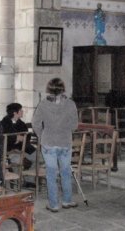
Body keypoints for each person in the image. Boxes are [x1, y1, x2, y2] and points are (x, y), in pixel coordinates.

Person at [32, 78, 78, 212]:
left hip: (49, 143)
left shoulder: (43, 104)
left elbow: (35, 124)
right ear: (63, 88)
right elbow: (74, 125)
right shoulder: (70, 104)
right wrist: (66, 131)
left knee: (51, 174)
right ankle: (67, 200)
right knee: (65, 172)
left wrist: (42, 135)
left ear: (49, 89)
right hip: (65, 142)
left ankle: (53, 204)